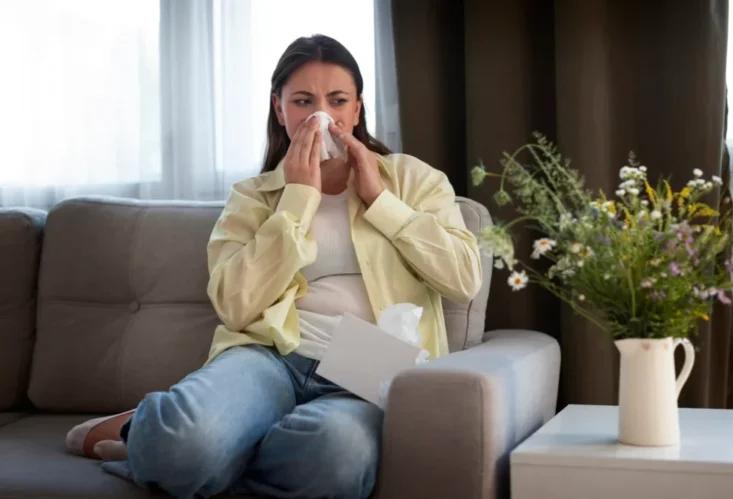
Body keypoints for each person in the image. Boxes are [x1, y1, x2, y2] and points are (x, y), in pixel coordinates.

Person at [64, 34, 482, 499]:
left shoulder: (412, 180)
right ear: (280, 110)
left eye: (337, 100)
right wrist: (298, 199)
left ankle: (199, 446)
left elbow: (462, 279)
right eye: (303, 101)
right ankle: (184, 441)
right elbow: (234, 306)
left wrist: (381, 202)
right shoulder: (253, 197)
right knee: (185, 444)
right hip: (270, 355)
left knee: (334, 455)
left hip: (369, 373)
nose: (321, 115)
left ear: (357, 111)